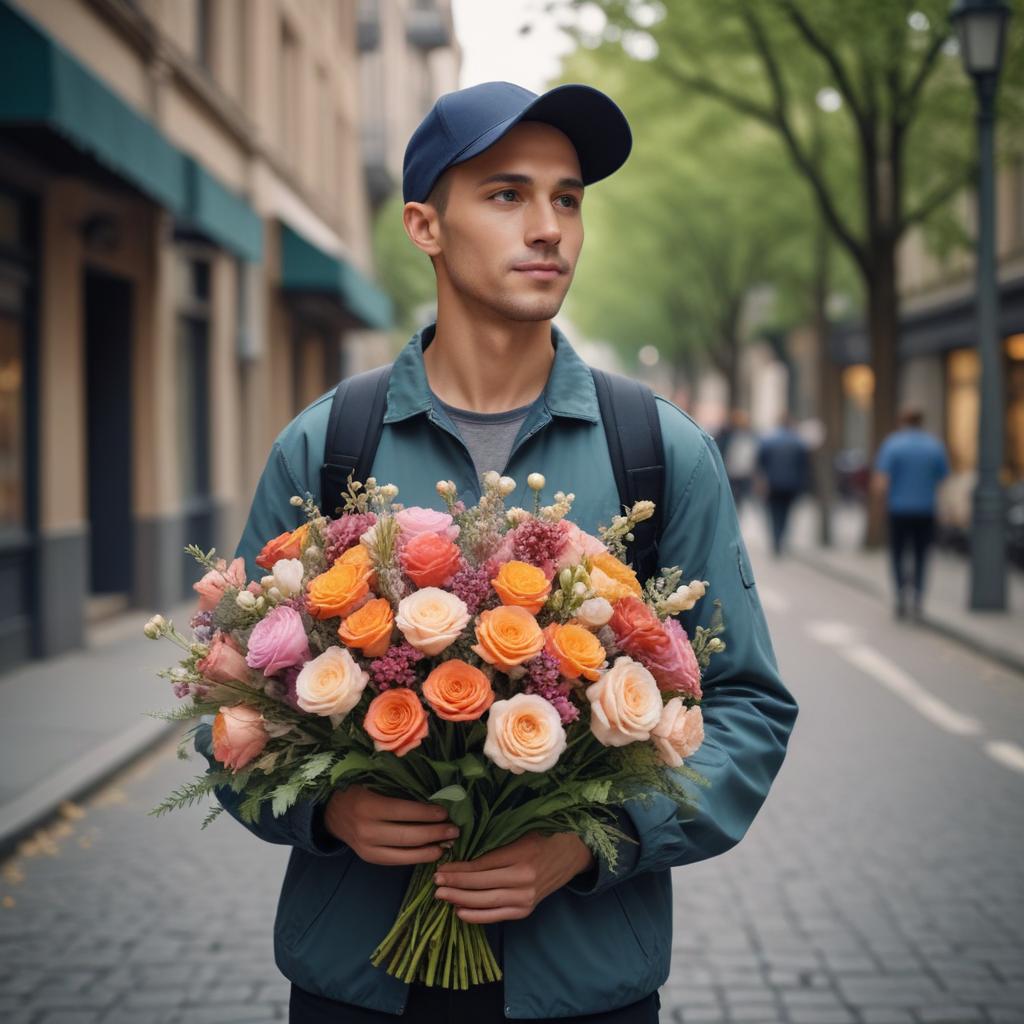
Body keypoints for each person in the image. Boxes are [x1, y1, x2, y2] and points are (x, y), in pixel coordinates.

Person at [194, 80, 799, 1024]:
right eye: (508, 195)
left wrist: (597, 842)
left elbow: (747, 706)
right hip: (360, 983)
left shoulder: (658, 449)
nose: (549, 227)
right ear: (425, 226)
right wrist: (325, 811)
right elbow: (228, 694)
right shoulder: (328, 443)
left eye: (567, 198)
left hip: (583, 983)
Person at [872, 407, 950, 619]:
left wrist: (879, 507)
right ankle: (918, 598)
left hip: (898, 510)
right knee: (921, 555)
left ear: (902, 421)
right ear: (922, 421)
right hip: (926, 510)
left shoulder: (893, 444)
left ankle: (899, 595)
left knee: (897, 554)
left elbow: (882, 482)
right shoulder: (934, 446)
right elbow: (943, 480)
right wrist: (943, 508)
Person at [756, 413, 810, 556]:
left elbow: (760, 463)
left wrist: (761, 481)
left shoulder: (768, 441)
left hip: (773, 484)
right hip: (791, 484)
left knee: (774, 513)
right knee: (786, 513)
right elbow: (803, 465)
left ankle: (776, 540)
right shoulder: (798, 442)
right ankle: (782, 539)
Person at [716, 409, 759, 513]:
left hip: (743, 473)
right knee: (733, 498)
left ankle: (735, 514)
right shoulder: (726, 434)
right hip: (730, 472)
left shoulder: (750, 435)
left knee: (738, 500)